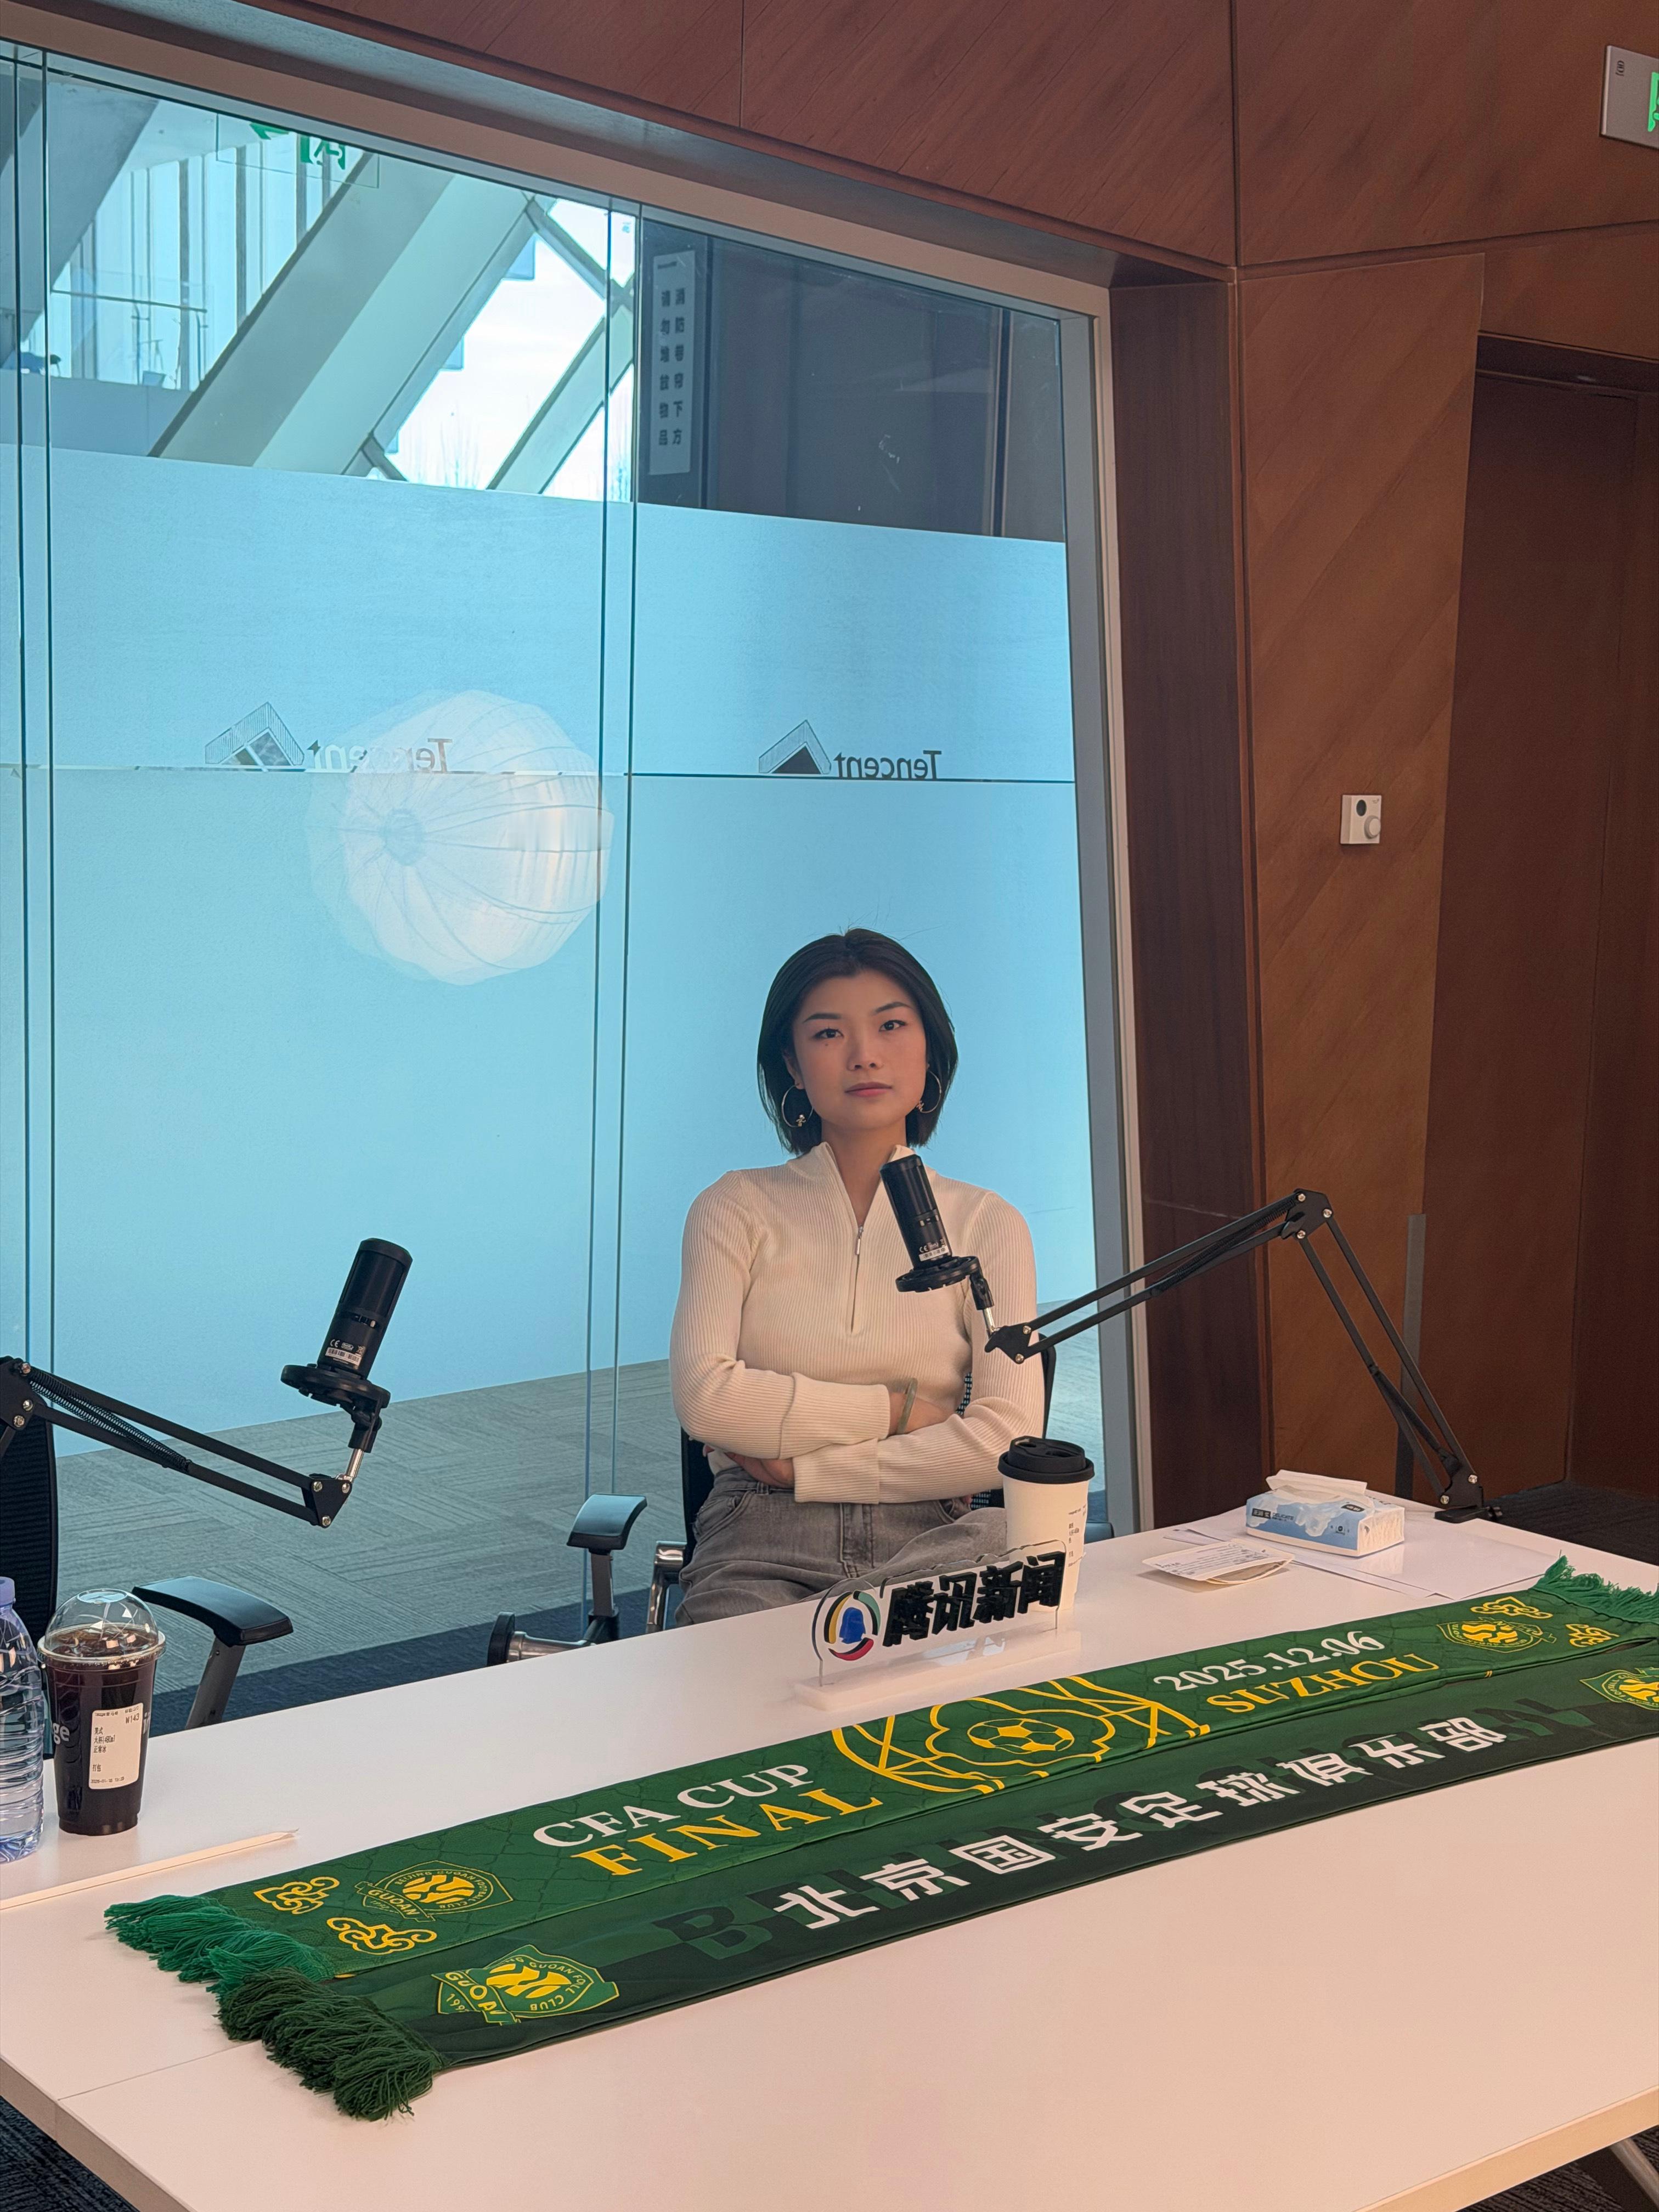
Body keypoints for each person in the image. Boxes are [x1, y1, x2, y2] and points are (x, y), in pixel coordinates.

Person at [670, 928, 1045, 1623]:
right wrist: (901, 1413)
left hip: (932, 1531)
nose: (864, 1054)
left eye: (891, 1025)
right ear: (792, 1062)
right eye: (828, 1033)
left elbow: (1006, 1440)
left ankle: (842, 1628)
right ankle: (849, 1631)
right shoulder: (734, 1206)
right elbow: (707, 1401)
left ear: (930, 1047)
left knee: (998, 1542)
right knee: (746, 1678)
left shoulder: (988, 1222)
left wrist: (808, 1468)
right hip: (760, 1531)